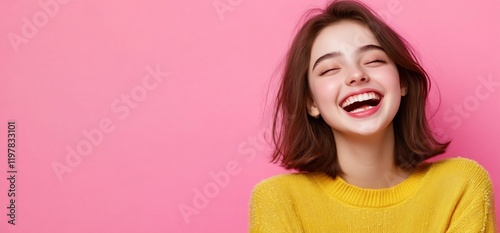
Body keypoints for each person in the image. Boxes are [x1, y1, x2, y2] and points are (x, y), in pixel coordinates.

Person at [249, 0, 497, 232]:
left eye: (374, 60)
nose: (356, 75)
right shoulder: (278, 201)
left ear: (402, 82)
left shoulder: (462, 185)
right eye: (331, 69)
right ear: (311, 102)